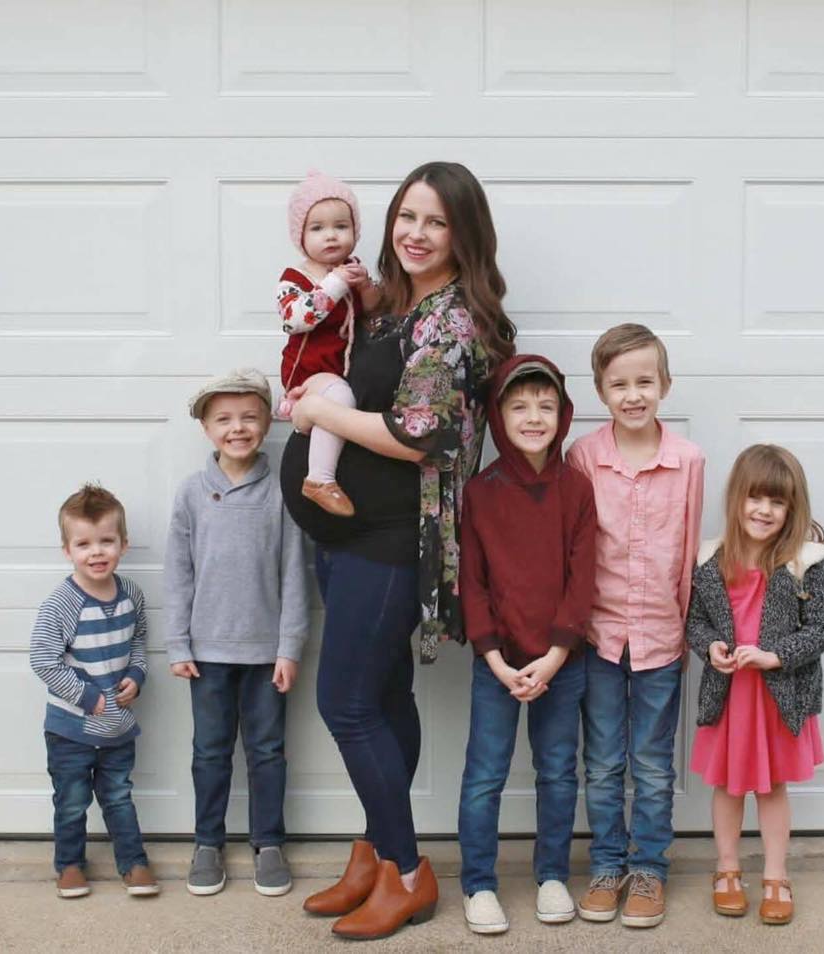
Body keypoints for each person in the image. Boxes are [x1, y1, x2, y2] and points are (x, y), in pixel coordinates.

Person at [281, 161, 516, 940]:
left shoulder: (454, 321)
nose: (415, 233)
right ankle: (376, 855)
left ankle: (409, 873)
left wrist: (320, 413)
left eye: (436, 222)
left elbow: (420, 436)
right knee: (382, 698)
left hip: (393, 539)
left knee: (345, 703)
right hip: (347, 531)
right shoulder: (390, 302)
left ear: (463, 235)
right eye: (406, 216)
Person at [566, 323, 705, 928]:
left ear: (665, 385)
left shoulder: (688, 461)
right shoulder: (584, 456)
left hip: (661, 638)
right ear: (601, 391)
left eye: (644, 381)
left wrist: (687, 632)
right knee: (601, 763)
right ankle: (607, 864)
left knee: (651, 764)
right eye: (619, 384)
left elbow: (690, 550)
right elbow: (574, 550)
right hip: (598, 637)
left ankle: (649, 868)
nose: (633, 395)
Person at [457, 355, 596, 934]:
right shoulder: (480, 492)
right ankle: (478, 884)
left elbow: (582, 579)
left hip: (561, 662)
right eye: (518, 406)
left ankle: (553, 875)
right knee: (484, 775)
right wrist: (493, 657)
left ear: (563, 415)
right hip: (498, 664)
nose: (533, 417)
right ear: (497, 416)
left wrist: (556, 655)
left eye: (545, 406)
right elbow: (472, 582)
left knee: (558, 772)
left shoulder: (577, 489)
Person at [164, 369, 309, 898]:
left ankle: (268, 842)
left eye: (249, 417)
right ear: (206, 428)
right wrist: (177, 643)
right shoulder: (191, 493)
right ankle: (207, 842)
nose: (237, 428)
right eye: (223, 419)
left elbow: (295, 573)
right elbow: (178, 573)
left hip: (266, 653)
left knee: (267, 751)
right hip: (206, 653)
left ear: (267, 422)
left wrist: (289, 648)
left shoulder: (283, 491)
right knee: (210, 751)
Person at [687, 444, 824, 926]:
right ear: (737, 499)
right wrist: (710, 646)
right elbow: (695, 622)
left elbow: (823, 629)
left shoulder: (801, 563)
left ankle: (776, 874)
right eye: (755, 498)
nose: (764, 510)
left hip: (776, 699)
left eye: (777, 502)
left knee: (771, 788)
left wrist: (776, 656)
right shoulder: (711, 561)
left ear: (792, 509)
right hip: (730, 697)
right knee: (728, 788)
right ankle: (727, 869)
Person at [30, 484, 159, 899]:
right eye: (84, 544)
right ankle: (69, 864)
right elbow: (43, 660)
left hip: (117, 727)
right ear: (67, 550)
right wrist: (88, 697)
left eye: (106, 541)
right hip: (70, 729)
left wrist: (137, 675)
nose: (97, 552)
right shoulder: (63, 603)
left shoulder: (131, 595)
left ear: (124, 544)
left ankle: (134, 863)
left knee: (119, 796)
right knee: (71, 801)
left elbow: (138, 640)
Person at [277, 170, 380, 517]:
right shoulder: (294, 279)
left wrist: (365, 287)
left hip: (342, 369)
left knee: (344, 401)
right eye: (317, 228)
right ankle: (319, 479)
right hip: (310, 372)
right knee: (339, 397)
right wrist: (335, 283)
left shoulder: (352, 269)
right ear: (300, 236)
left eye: (341, 226)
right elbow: (296, 318)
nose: (331, 235)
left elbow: (374, 313)